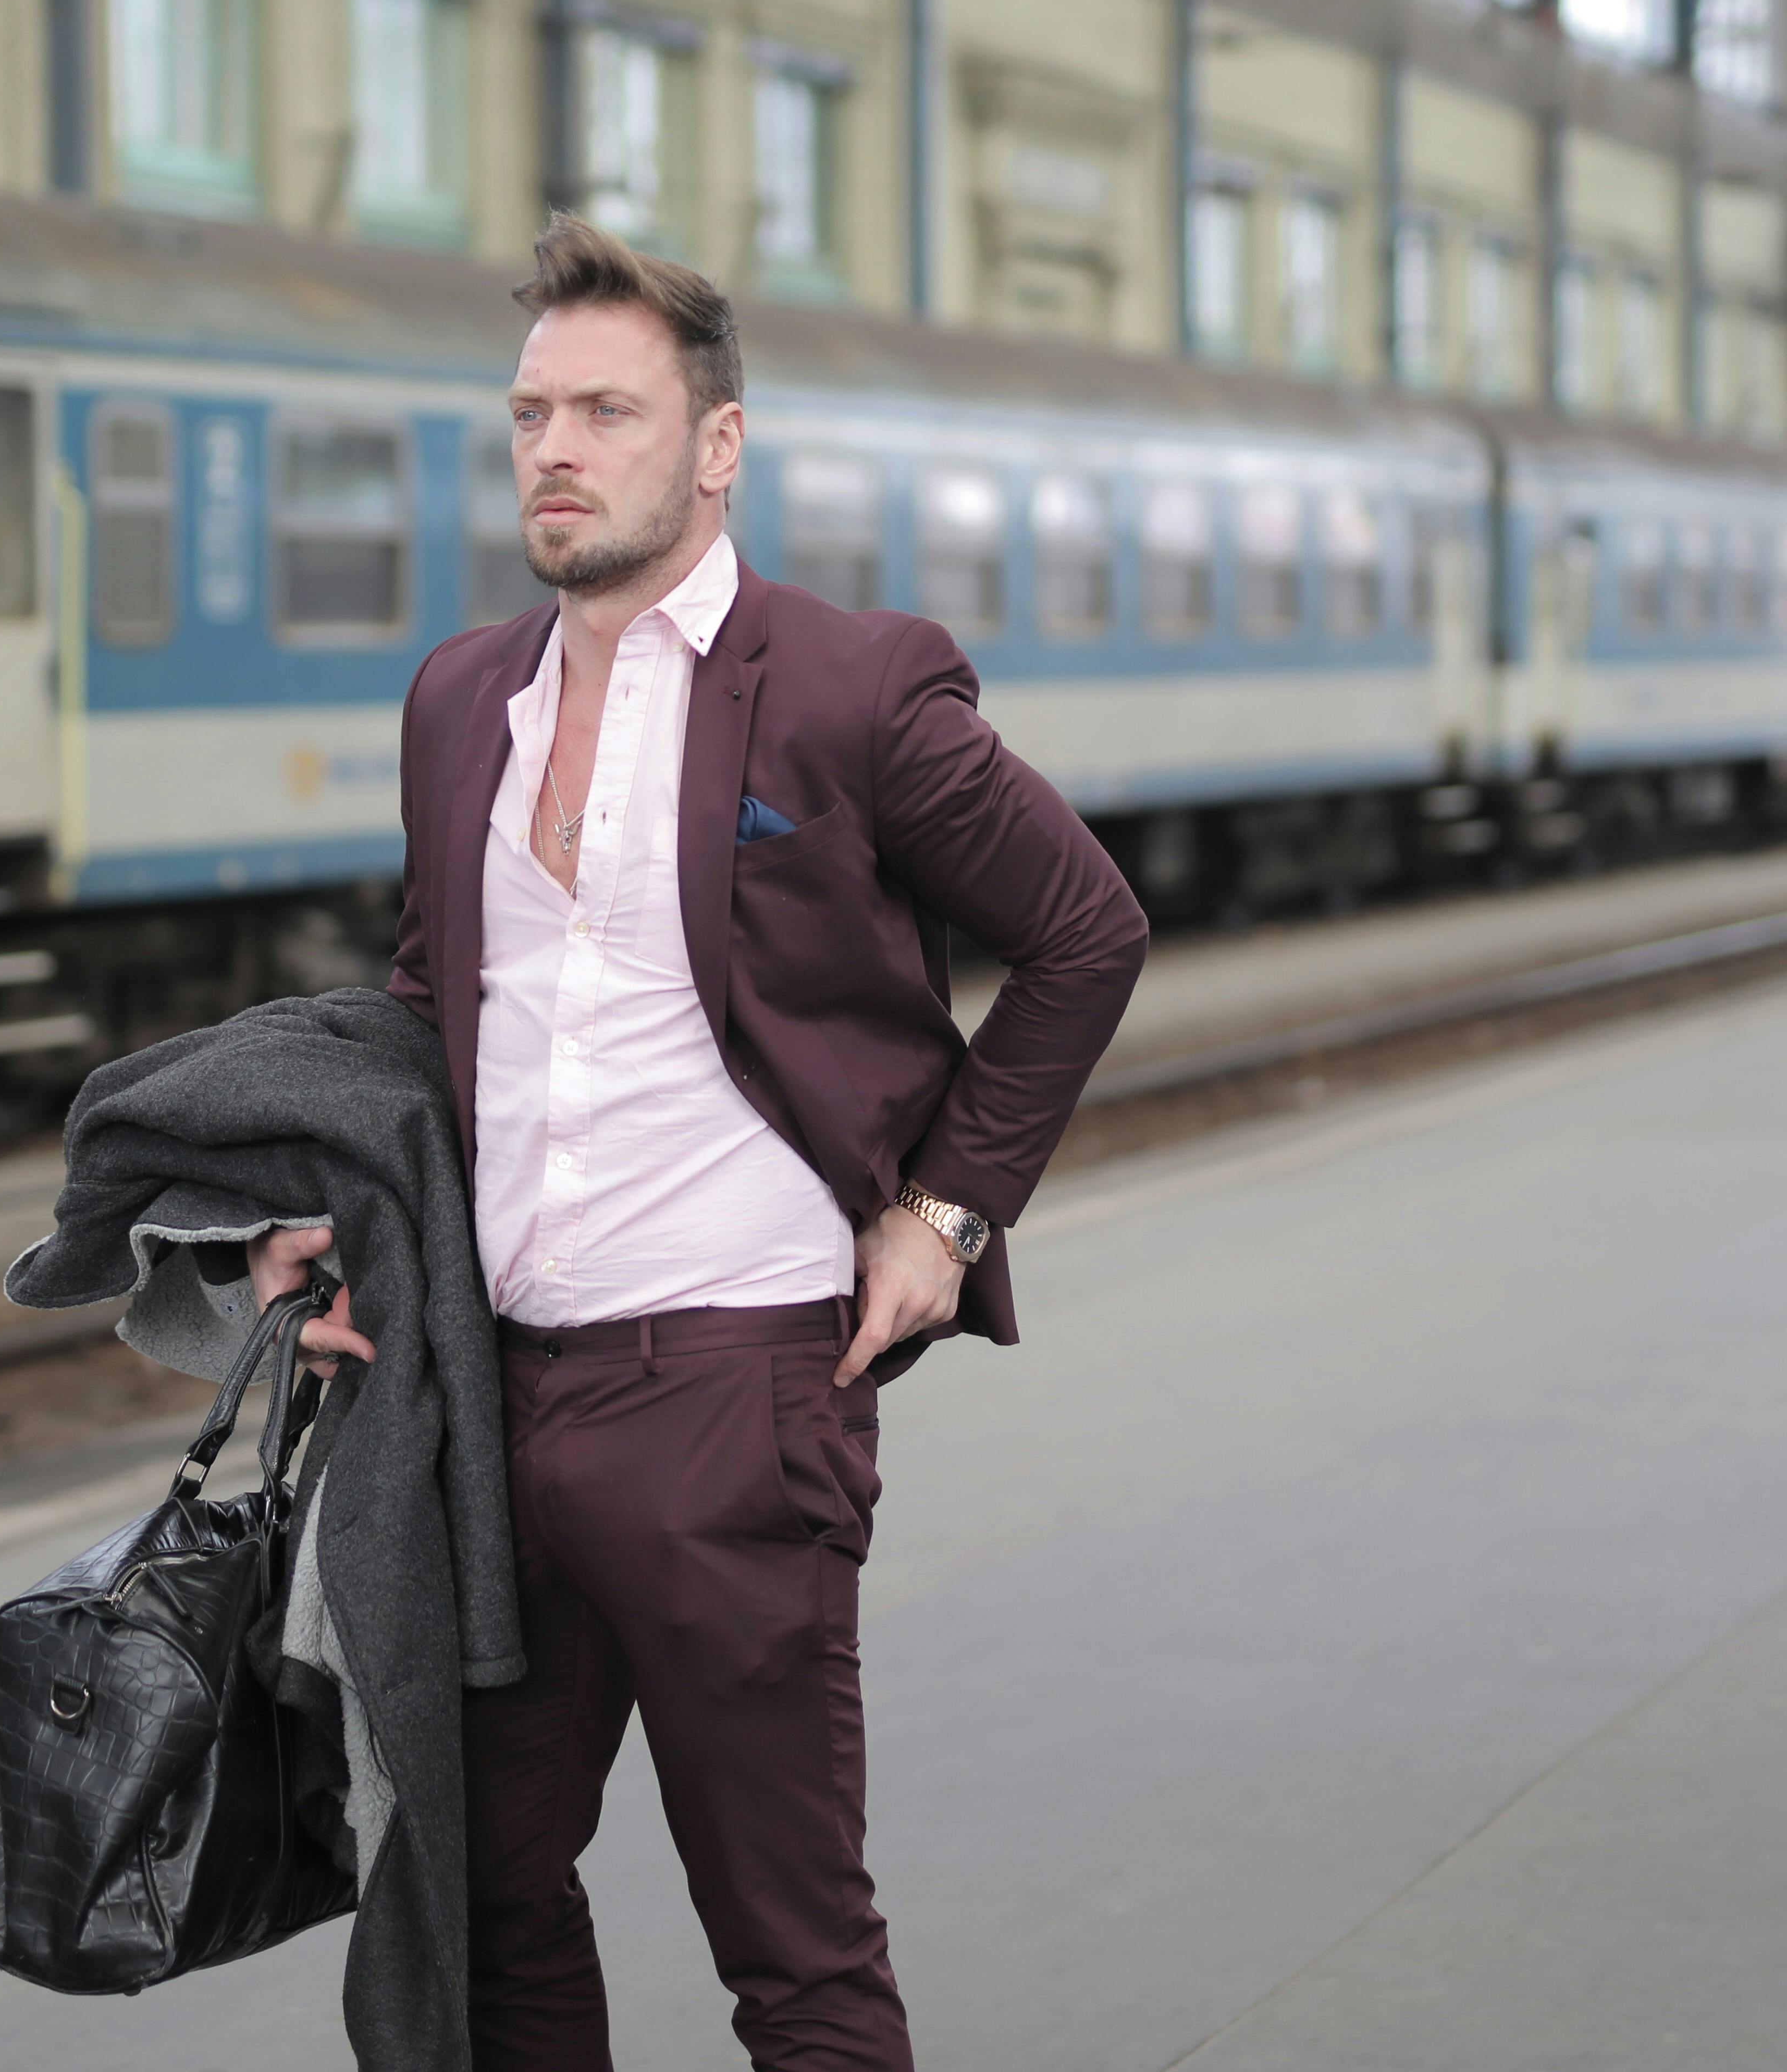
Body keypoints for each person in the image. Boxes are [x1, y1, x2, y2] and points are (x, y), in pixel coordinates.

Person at [247, 214, 1147, 2072]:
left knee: (794, 1957)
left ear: (716, 446)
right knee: (486, 1901)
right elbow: (438, 1021)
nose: (556, 452)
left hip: (737, 1390)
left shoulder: (850, 687)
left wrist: (945, 1218)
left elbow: (1086, 933)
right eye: (529, 416)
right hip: (494, 1402)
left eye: (607, 413)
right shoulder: (457, 698)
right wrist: (347, 1238)